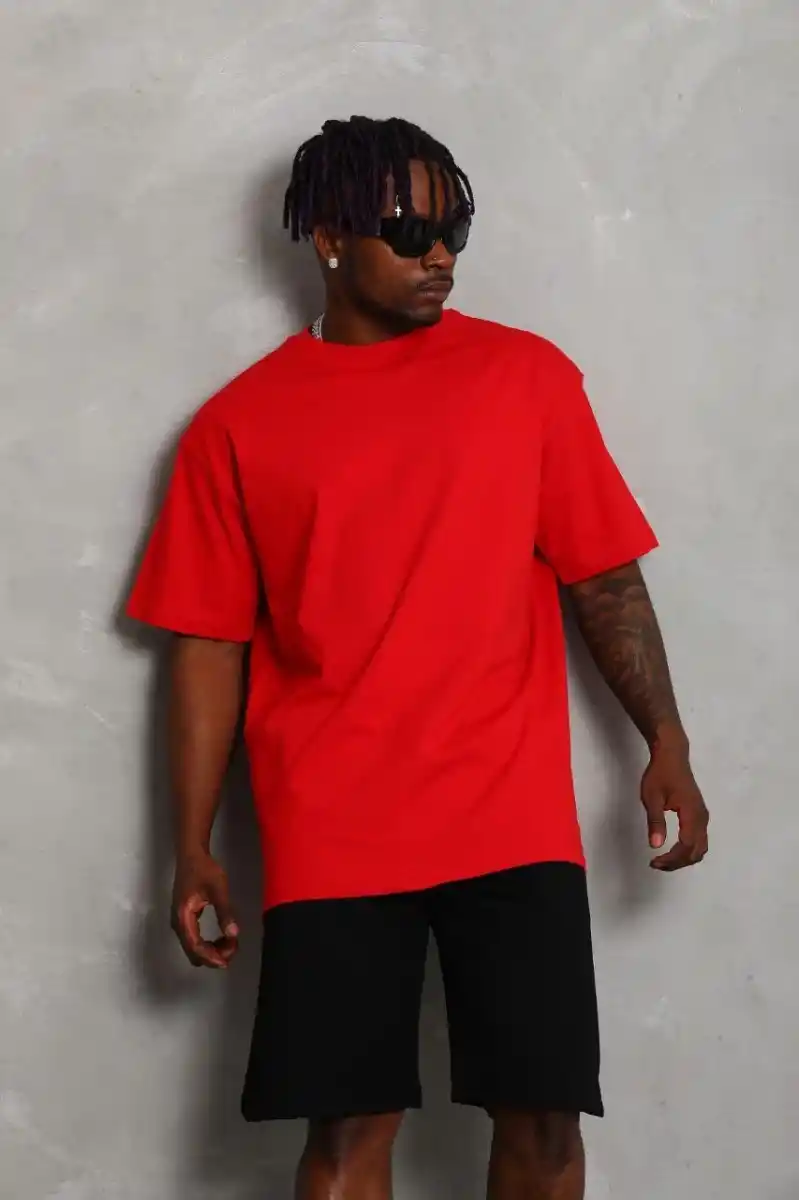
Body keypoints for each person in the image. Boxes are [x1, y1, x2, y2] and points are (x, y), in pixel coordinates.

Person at [127, 116, 709, 1200]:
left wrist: (664, 739)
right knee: (348, 1137)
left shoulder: (526, 379)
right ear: (328, 239)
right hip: (333, 823)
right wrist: (191, 843)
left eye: (455, 230)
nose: (439, 254)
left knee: (544, 1120)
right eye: (408, 231)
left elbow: (604, 580)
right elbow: (206, 646)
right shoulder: (236, 428)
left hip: (510, 814)